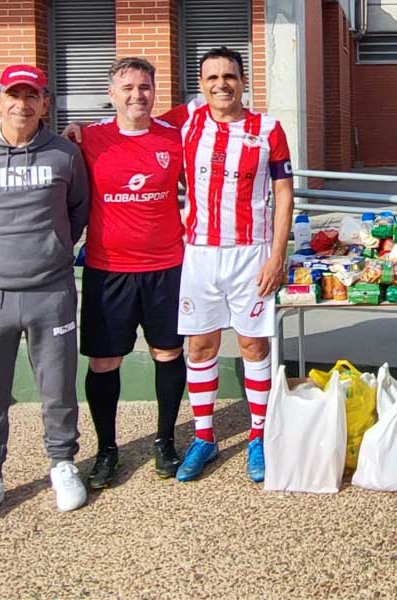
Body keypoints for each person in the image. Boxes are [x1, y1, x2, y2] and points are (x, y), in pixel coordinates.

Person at [0, 64, 90, 532]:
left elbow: (78, 211)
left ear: (45, 102)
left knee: (58, 386)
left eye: (31, 96)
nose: (21, 105)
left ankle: (62, 463)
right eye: (13, 95)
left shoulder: (65, 155)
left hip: (51, 291)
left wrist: (51, 248)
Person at [154, 47, 293, 483]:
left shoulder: (268, 129)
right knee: (200, 347)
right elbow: (132, 124)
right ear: (200, 84)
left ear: (243, 81)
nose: (221, 84)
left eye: (229, 76)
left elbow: (285, 194)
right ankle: (204, 438)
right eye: (211, 77)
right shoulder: (187, 120)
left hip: (251, 253)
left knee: (253, 346)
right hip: (199, 254)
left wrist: (277, 255)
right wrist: (80, 130)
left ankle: (257, 436)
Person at [77, 57, 186, 486]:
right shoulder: (88, 138)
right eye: (127, 87)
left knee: (168, 354)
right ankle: (106, 448)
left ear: (154, 92)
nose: (136, 95)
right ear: (111, 94)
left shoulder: (175, 138)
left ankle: (165, 440)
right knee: (105, 361)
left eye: (144, 87)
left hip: (166, 267)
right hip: (108, 271)